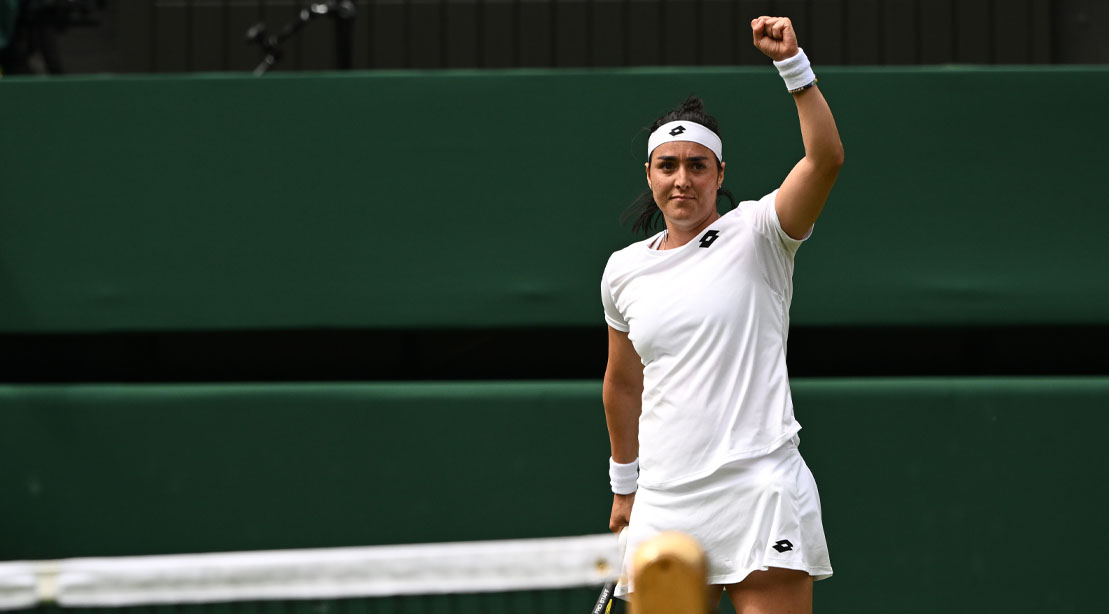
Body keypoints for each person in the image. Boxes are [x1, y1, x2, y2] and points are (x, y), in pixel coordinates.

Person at [600, 16, 843, 614]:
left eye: (697, 166)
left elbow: (826, 158)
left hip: (758, 487)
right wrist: (625, 487)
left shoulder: (762, 232)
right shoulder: (623, 270)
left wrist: (795, 68)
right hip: (663, 501)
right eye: (668, 166)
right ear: (650, 176)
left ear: (719, 175)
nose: (682, 180)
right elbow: (623, 381)